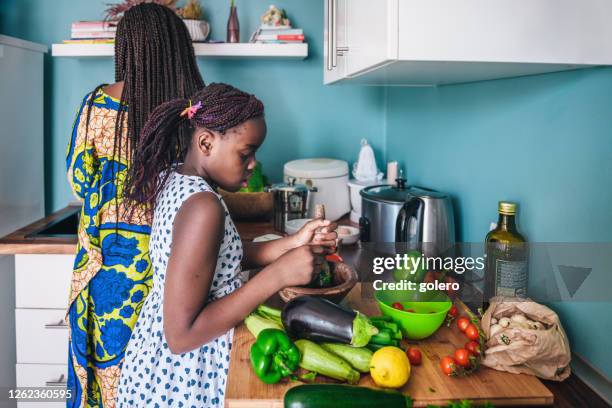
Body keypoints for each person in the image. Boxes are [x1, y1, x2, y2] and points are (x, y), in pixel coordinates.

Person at [116, 83, 337, 407]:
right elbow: (182, 336)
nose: (253, 164)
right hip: (182, 376)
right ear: (206, 142)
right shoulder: (204, 206)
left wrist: (292, 243)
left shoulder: (176, 177)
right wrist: (277, 275)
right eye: (246, 153)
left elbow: (214, 260)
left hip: (155, 361)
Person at [65, 4, 204, 407]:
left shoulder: (96, 107)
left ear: (125, 50)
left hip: (107, 281)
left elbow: (78, 182)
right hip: (172, 279)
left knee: (110, 392)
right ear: (178, 50)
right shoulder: (191, 114)